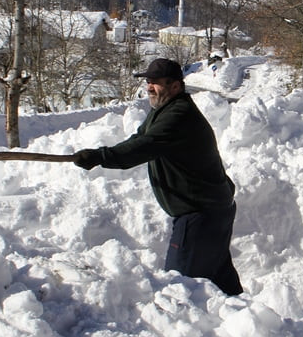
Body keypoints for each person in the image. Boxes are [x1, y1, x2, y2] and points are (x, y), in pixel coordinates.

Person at [73, 57, 244, 295]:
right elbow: (139, 138)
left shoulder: (179, 116)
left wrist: (101, 157)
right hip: (212, 211)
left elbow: (145, 146)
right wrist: (99, 155)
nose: (149, 87)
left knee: (180, 289)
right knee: (219, 281)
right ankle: (248, 324)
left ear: (175, 86)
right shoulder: (164, 110)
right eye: (148, 82)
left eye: (155, 82)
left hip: (200, 216)